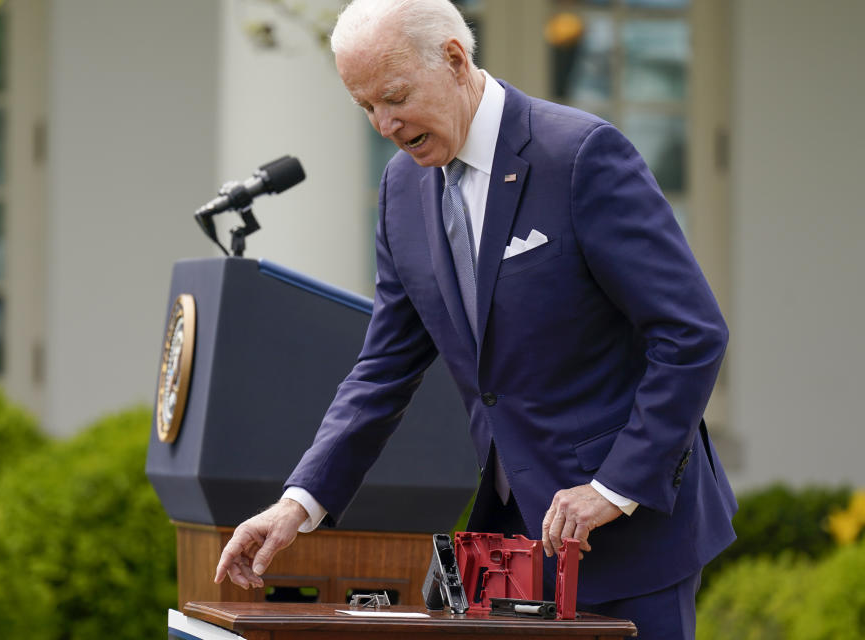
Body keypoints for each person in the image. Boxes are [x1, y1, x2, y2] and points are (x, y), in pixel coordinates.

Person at [215, 1, 736, 637]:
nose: (384, 123)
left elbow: (691, 334)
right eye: (366, 107)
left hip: (631, 536)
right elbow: (383, 369)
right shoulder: (401, 192)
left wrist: (612, 486)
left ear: (456, 60)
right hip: (509, 547)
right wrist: (297, 504)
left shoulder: (581, 156)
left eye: (395, 96)